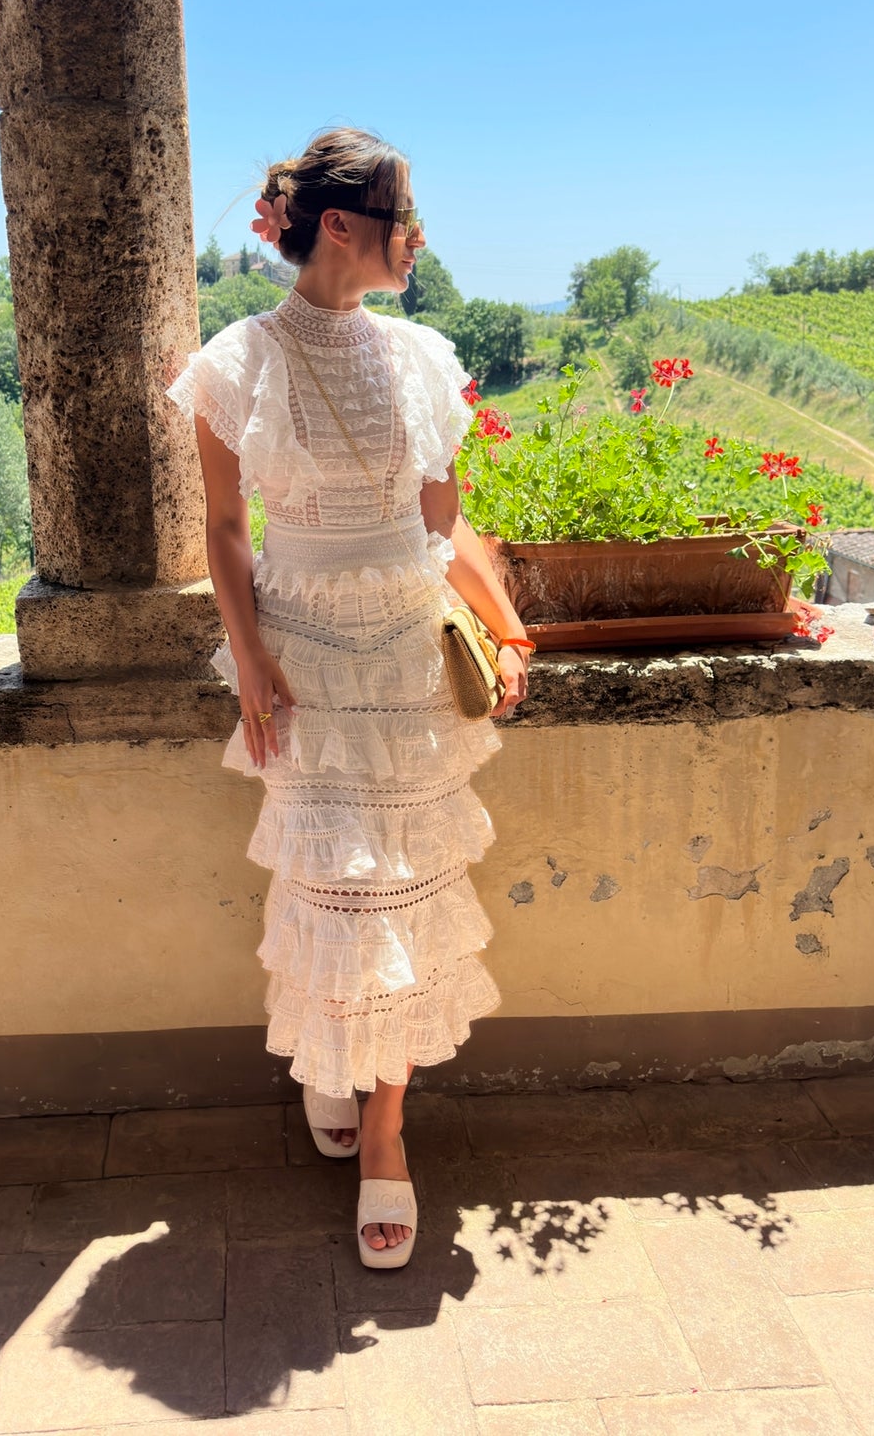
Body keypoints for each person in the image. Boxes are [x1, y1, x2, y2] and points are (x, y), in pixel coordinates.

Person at [165, 128, 531, 1269]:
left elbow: (444, 520)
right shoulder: (238, 362)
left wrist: (509, 626)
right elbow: (227, 529)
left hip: (411, 661)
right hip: (304, 660)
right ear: (338, 226)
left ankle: (384, 1126)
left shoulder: (422, 355)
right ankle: (332, 1060)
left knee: (406, 895)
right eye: (402, 219)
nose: (417, 240)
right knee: (332, 888)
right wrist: (248, 656)